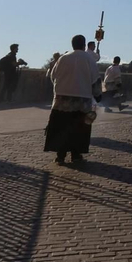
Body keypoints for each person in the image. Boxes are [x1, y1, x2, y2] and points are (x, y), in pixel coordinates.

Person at [45, 35, 99, 165]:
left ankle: (60, 155)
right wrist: (97, 95)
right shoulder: (89, 59)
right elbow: (95, 79)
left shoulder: (63, 58)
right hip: (82, 98)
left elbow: (53, 76)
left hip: (62, 98)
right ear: (84, 44)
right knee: (79, 128)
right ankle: (76, 154)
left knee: (62, 126)